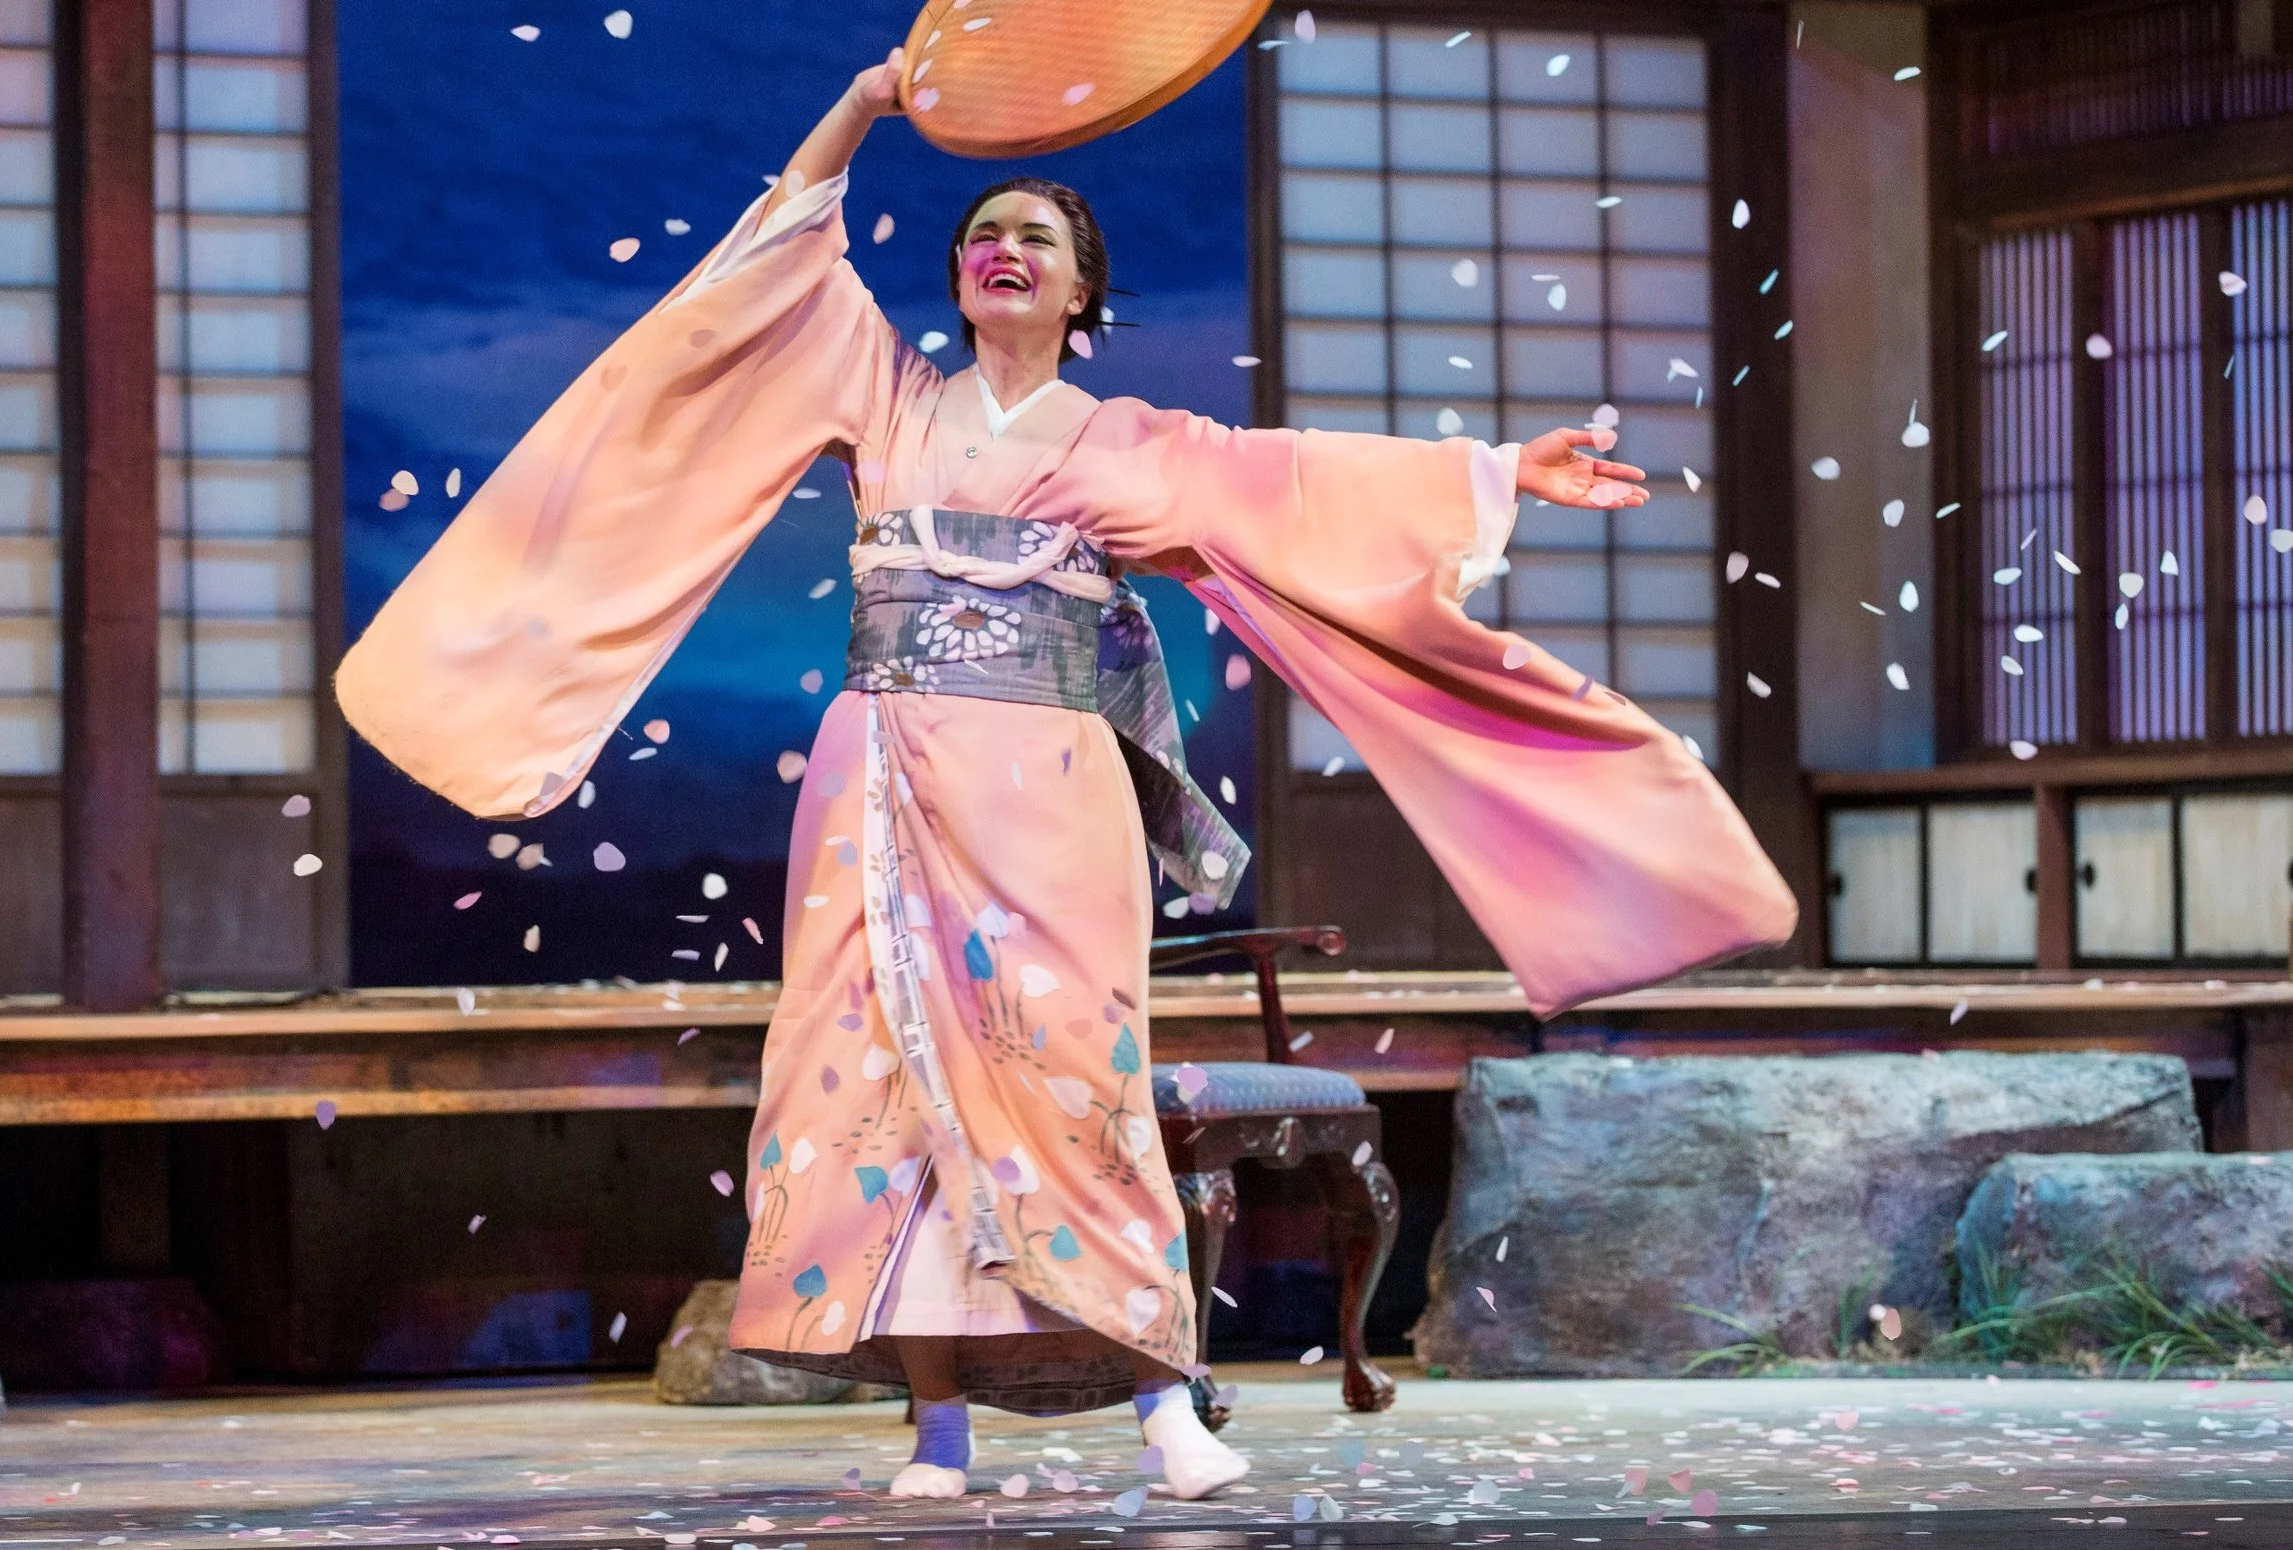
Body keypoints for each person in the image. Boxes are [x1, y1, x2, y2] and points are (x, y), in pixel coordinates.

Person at [336, 49, 1796, 1506]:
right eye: (983, 235)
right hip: (881, 782)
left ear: (1082, 294)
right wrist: (856, 102)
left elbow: (1296, 483)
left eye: (1036, 236)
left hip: (1046, 790)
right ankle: (939, 1429)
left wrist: (1495, 474)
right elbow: (787, 238)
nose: (1001, 249)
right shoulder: (887, 398)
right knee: (881, 1082)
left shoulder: (1131, 448)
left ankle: (1166, 1406)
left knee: (1074, 1075)